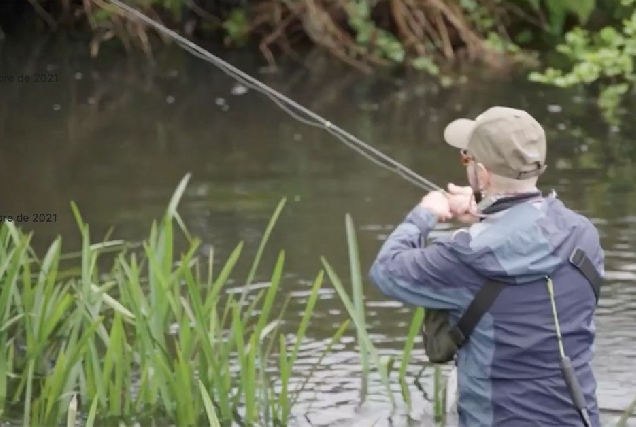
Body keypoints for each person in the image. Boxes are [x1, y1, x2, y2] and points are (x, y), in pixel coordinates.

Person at [369, 106, 604, 426]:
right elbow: (529, 241)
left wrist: (425, 214)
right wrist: (488, 213)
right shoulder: (584, 236)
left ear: (481, 173)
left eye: (467, 158)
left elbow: (386, 270)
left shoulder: (463, 257)